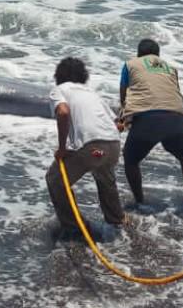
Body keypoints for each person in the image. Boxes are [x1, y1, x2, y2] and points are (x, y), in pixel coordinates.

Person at [46, 56, 126, 236]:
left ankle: (74, 227)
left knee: (55, 180)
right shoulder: (91, 92)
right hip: (113, 146)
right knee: (104, 176)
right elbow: (118, 125)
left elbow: (63, 112)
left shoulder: (59, 90)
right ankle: (116, 221)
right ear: (83, 75)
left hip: (91, 147)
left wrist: (61, 148)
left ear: (59, 75)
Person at [118, 38, 183, 204]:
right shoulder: (170, 68)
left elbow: (123, 94)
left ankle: (140, 202)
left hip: (148, 119)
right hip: (176, 117)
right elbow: (173, 92)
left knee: (130, 159)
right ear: (158, 55)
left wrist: (124, 116)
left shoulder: (130, 64)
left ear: (138, 54)